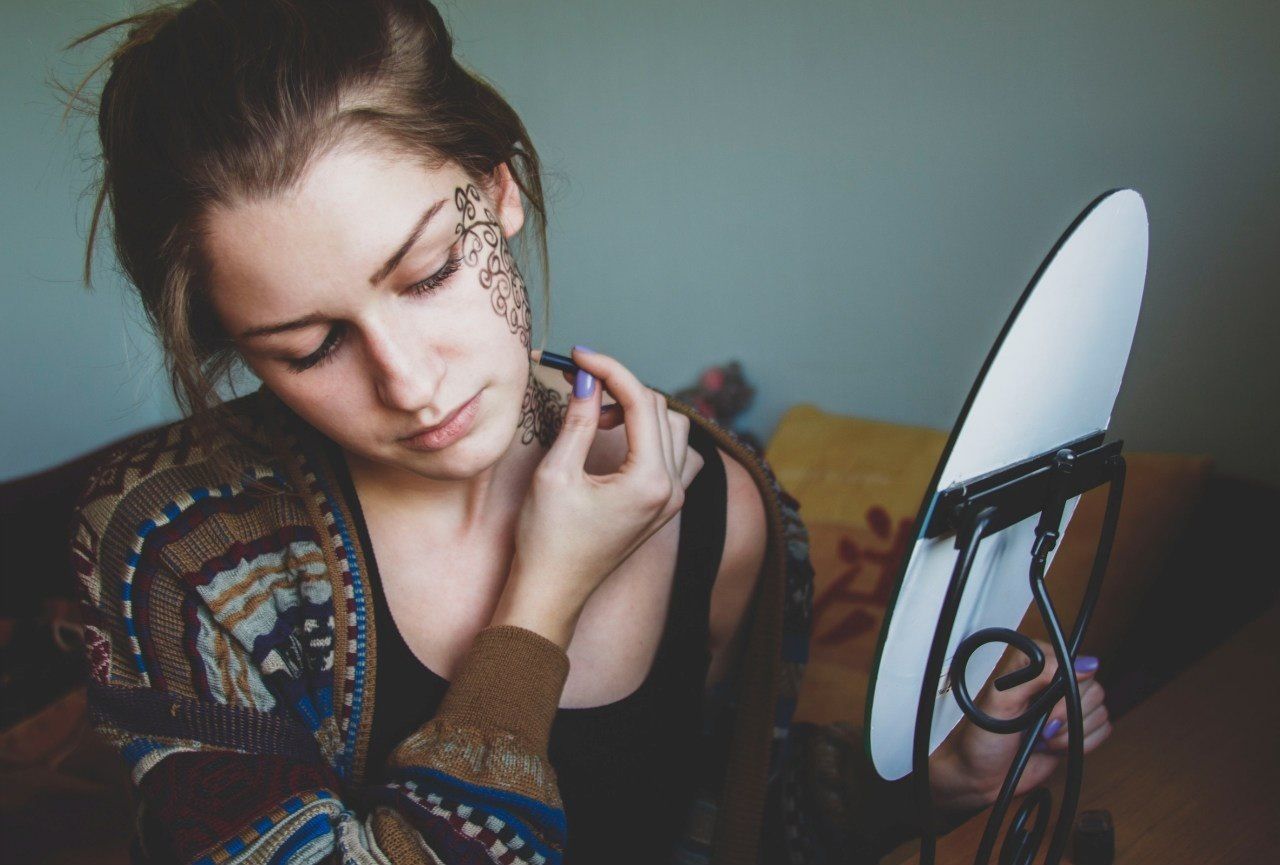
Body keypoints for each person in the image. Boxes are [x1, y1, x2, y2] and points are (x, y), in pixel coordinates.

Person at [63, 2, 1111, 863]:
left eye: (428, 272)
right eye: (309, 347)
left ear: (499, 191)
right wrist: (539, 609)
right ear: (241, 350)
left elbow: (718, 820)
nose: (411, 381)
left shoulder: (715, 501)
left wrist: (923, 789)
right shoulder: (178, 548)